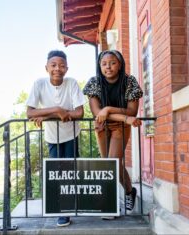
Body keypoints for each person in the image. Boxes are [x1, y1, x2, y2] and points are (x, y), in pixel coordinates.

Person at [26, 50, 86, 227]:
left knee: (70, 172)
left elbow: (80, 113)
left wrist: (48, 113)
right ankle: (61, 208)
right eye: (53, 65)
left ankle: (67, 211)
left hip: (71, 134)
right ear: (46, 68)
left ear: (66, 69)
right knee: (57, 173)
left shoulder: (72, 83)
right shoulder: (39, 84)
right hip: (52, 137)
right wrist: (56, 110)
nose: (57, 69)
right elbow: (30, 112)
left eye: (61, 65)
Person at [83, 50, 143, 216]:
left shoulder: (129, 81)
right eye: (104, 64)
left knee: (111, 163)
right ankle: (130, 191)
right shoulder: (94, 82)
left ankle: (108, 205)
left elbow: (132, 111)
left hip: (121, 126)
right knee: (110, 164)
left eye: (112, 63)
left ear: (120, 64)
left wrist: (108, 109)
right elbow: (97, 112)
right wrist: (124, 117)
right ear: (99, 66)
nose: (108, 67)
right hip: (102, 126)